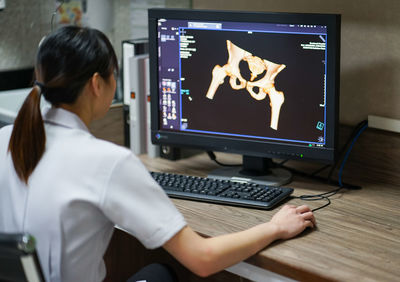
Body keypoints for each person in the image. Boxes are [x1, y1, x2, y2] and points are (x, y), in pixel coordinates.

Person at [0, 26, 316, 282]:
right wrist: (275, 227)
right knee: (163, 273)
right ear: (97, 84)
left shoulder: (6, 139)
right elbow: (202, 260)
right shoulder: (107, 163)